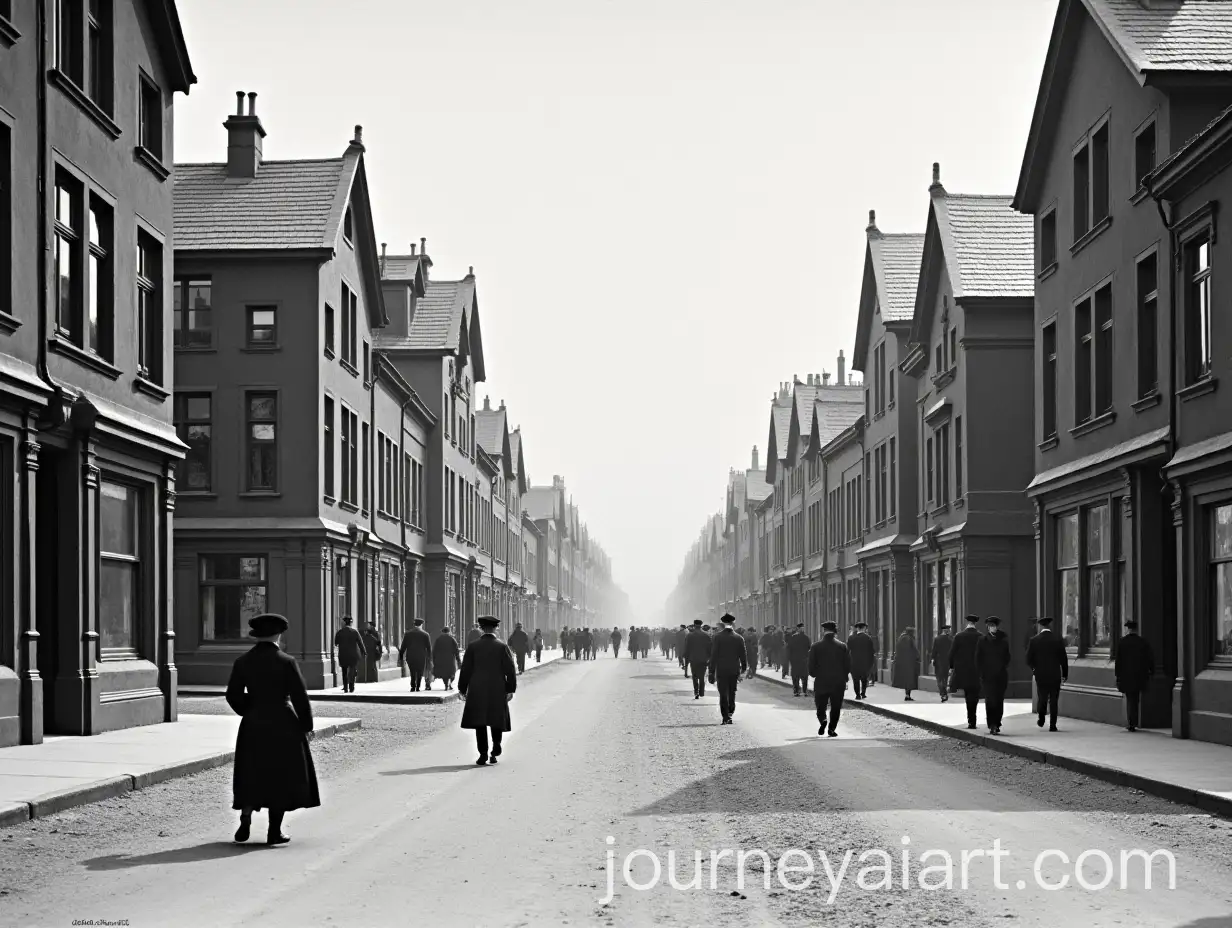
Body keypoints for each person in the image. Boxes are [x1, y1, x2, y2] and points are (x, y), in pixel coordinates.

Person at [226, 613, 320, 845]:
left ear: (256, 635)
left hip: (253, 723)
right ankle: (274, 831)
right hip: (282, 722)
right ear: (279, 634)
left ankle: (246, 813)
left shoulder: (243, 661)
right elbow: (300, 697)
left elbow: (232, 695)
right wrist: (306, 725)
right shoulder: (286, 661)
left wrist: (249, 709)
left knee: (252, 770)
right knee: (280, 775)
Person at [459, 615, 517, 766]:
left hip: (477, 687)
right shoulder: (502, 646)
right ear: (496, 628)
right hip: (497, 687)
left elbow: (465, 669)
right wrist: (510, 689)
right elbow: (510, 670)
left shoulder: (472, 647)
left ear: (481, 628)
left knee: (480, 721)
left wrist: (462, 688)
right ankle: (496, 747)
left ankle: (483, 753)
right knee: (496, 718)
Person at [809, 621, 851, 737]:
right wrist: (844, 676)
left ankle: (823, 719)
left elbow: (811, 666)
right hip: (838, 681)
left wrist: (814, 674)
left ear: (823, 631)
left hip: (822, 680)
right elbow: (847, 665)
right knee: (836, 706)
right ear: (835, 632)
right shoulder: (842, 646)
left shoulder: (815, 646)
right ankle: (832, 729)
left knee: (820, 705)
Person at [1026, 616, 1068, 731]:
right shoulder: (1057, 640)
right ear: (1050, 626)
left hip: (1041, 674)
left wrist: (1034, 669)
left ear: (1040, 626)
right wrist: (1065, 674)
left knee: (1042, 696)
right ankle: (1053, 725)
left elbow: (1028, 659)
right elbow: (1063, 659)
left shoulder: (1034, 640)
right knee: (1054, 699)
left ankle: (1041, 717)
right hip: (1054, 674)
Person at [1115, 620, 1154, 732]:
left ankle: (1131, 722)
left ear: (1128, 629)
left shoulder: (1122, 642)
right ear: (1136, 629)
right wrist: (1151, 671)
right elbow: (1149, 658)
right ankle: (1134, 721)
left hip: (1126, 675)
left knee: (1129, 698)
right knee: (1135, 698)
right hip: (1139, 675)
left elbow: (1119, 661)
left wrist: (1118, 675)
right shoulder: (1142, 642)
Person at [708, 614, 747, 724]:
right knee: (732, 691)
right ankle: (731, 711)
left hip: (721, 669)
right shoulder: (739, 638)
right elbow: (743, 655)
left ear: (723, 623)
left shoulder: (717, 637)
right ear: (733, 623)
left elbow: (714, 655)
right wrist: (744, 669)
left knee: (723, 693)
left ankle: (725, 716)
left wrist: (711, 671)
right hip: (734, 669)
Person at [976, 616, 1011, 734]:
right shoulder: (982, 640)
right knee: (990, 700)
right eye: (991, 626)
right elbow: (978, 658)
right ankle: (991, 723)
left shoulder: (1003, 640)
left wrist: (1002, 666)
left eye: (994, 626)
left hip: (1000, 675)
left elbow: (1007, 657)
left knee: (999, 700)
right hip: (987, 676)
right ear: (987, 627)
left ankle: (997, 722)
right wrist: (981, 673)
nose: (993, 628)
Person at [948, 615, 983, 729]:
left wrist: (952, 667)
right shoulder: (981, 636)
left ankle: (970, 719)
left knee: (968, 694)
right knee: (974, 694)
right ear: (975, 624)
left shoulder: (959, 636)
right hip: (977, 670)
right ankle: (973, 719)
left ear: (967, 623)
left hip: (963, 671)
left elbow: (952, 653)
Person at [397, 618, 433, 692]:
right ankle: (418, 686)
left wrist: (401, 657)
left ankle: (413, 686)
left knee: (412, 671)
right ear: (421, 625)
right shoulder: (425, 634)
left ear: (414, 624)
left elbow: (403, 646)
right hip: (421, 656)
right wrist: (429, 658)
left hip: (411, 656)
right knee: (420, 671)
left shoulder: (408, 634)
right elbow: (429, 648)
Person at [333, 615, 365, 693]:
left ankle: (345, 687)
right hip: (353, 654)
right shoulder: (355, 632)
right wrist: (364, 652)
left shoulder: (340, 632)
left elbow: (336, 643)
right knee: (352, 671)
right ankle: (351, 686)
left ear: (344, 623)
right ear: (351, 623)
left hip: (343, 654)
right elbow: (360, 643)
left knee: (344, 671)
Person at [847, 622, 875, 699]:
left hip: (854, 663)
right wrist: (871, 663)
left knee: (855, 680)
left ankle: (857, 695)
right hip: (865, 662)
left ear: (857, 628)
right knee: (864, 679)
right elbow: (871, 652)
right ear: (864, 628)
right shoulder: (868, 638)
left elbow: (847, 650)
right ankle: (863, 693)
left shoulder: (851, 638)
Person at [892, 627, 920, 701]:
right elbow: (913, 650)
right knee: (909, 680)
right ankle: (907, 695)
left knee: (906, 680)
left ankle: (907, 695)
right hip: (909, 663)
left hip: (902, 663)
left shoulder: (901, 638)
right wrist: (917, 657)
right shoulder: (909, 639)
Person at [685, 619, 711, 698]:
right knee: (702, 676)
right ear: (701, 625)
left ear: (694, 625)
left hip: (693, 658)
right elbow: (710, 648)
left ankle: (696, 691)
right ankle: (701, 692)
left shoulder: (690, 635)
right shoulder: (706, 635)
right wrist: (709, 658)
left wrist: (687, 659)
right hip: (703, 659)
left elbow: (687, 648)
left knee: (695, 676)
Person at [786, 623, 811, 696]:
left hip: (801, 660)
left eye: (803, 628)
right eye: (801, 628)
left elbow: (809, 648)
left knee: (802, 676)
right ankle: (798, 691)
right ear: (798, 629)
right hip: (798, 660)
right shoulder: (797, 637)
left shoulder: (805, 637)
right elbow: (789, 649)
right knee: (797, 676)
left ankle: (802, 690)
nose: (802, 629)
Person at [931, 624, 953, 702]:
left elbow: (934, 650)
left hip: (938, 661)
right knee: (945, 678)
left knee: (939, 678)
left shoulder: (937, 639)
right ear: (946, 631)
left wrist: (932, 658)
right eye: (949, 630)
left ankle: (943, 694)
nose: (950, 631)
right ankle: (944, 693)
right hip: (946, 661)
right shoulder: (950, 640)